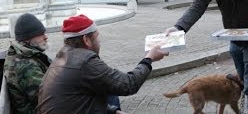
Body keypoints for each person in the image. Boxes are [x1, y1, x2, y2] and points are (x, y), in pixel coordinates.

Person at [37, 14, 169, 114]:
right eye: (97, 36)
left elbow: (78, 102)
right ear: (86, 40)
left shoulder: (62, 56)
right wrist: (149, 58)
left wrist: (112, 111)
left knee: (109, 87)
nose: (99, 41)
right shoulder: (85, 61)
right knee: (113, 88)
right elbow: (128, 84)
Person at [3, 13, 51, 113]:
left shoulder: (23, 54)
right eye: (41, 34)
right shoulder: (26, 66)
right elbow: (48, 99)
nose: (45, 37)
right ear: (28, 38)